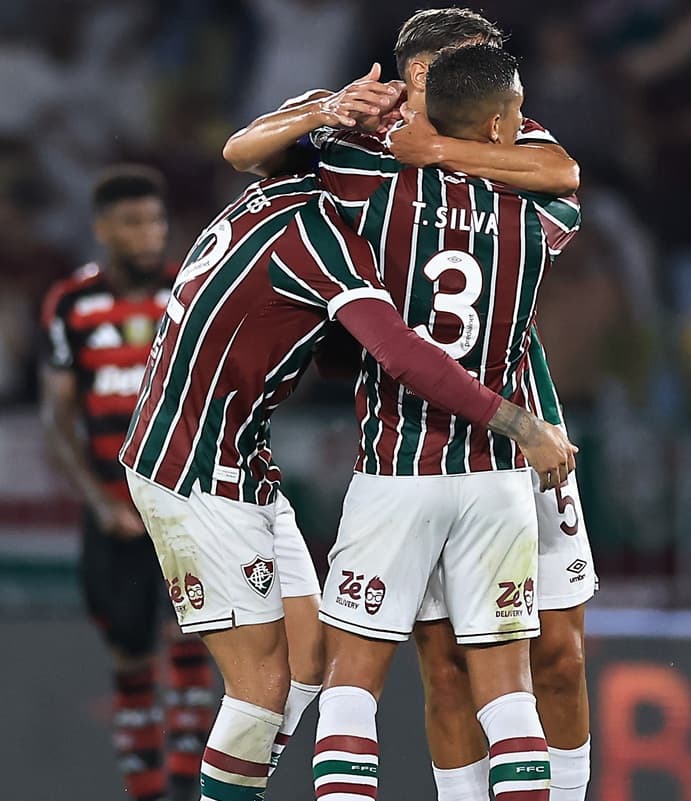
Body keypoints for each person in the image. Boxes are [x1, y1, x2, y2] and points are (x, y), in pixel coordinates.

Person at [120, 144, 574, 800]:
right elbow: (398, 354)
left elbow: (310, 337)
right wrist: (521, 423)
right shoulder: (322, 238)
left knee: (308, 666)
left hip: (237, 459)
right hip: (192, 471)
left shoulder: (270, 196)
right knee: (260, 691)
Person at [223, 10, 596, 800]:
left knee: (546, 656)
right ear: (410, 72)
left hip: (476, 445)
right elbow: (566, 185)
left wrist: (430, 149)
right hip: (489, 447)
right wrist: (330, 107)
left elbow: (562, 166)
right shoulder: (492, 182)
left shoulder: (368, 177)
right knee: (467, 673)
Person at [39, 166, 214, 801]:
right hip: (113, 512)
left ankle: (190, 785)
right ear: (103, 229)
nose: (149, 234)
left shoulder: (190, 291)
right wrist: (97, 503)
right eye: (134, 222)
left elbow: (216, 392)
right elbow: (56, 420)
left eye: (157, 221)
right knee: (132, 655)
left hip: (184, 508)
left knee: (194, 641)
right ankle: (144, 789)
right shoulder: (70, 304)